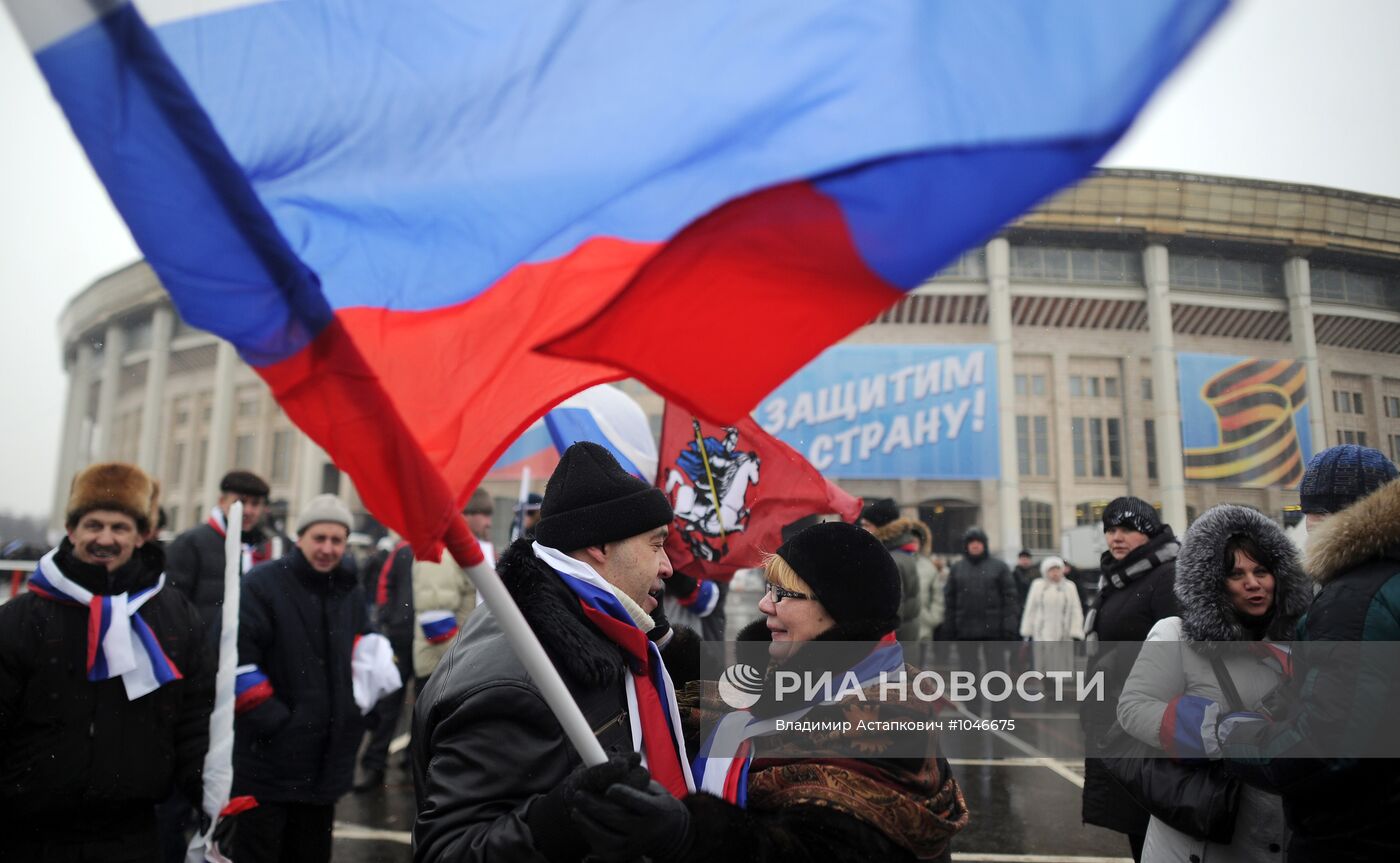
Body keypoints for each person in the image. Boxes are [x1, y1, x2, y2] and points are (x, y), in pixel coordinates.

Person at [568, 520, 970, 862]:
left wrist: (691, 836)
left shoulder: (883, 725)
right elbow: (735, 705)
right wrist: (662, 640)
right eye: (767, 589)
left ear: (838, 609)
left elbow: (809, 850)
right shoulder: (822, 682)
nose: (764, 605)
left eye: (783, 594)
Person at [412, 441, 698, 862]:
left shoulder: (605, 629)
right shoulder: (518, 680)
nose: (668, 567)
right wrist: (562, 819)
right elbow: (447, 851)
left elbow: (794, 711)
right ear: (600, 546)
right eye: (656, 545)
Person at [0, 463, 213, 861]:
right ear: (72, 530)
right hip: (31, 833)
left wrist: (209, 792)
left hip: (131, 834)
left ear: (143, 535)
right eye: (93, 525)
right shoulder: (22, 617)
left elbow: (194, 718)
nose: (105, 538)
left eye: (120, 528)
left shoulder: (175, 616)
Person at [1218, 445, 1400, 863]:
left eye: (1308, 512)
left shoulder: (1353, 600)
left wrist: (1235, 738)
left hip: (1355, 834)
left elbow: (1324, 748)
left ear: (1327, 516)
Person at [1117, 504, 1310, 862]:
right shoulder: (1175, 634)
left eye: (1262, 570)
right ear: (1212, 583)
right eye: (1236, 574)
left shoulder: (1303, 641)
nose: (1253, 583)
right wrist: (1216, 731)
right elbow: (1133, 707)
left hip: (1279, 835)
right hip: (1202, 835)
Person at [232, 494, 375, 863]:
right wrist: (279, 723)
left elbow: (361, 650)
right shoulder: (262, 584)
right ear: (301, 538)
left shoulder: (350, 591)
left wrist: (359, 706)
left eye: (337, 540)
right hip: (268, 761)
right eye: (319, 538)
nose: (328, 548)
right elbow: (238, 663)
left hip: (326, 762)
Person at [1081, 496, 1181, 861]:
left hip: (1149, 718)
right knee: (1136, 823)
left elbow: (1177, 645)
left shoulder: (1167, 575)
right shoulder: (1118, 575)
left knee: (1154, 820)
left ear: (1149, 532)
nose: (1115, 537)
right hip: (1119, 711)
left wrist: (1116, 661)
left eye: (1126, 529)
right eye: (1110, 529)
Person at [166, 469, 275, 646]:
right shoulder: (192, 542)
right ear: (222, 501)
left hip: (250, 651)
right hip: (205, 650)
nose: (247, 510)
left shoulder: (268, 546)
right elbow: (173, 604)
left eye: (255, 504)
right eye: (240, 502)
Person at [354, 531, 416, 793]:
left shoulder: (445, 550)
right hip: (402, 637)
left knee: (425, 708)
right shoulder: (403, 551)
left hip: (432, 641)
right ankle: (374, 765)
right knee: (389, 704)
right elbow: (384, 586)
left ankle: (413, 761)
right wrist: (389, 617)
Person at [860, 497, 932, 642]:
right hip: (904, 643)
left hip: (894, 647)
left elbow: (891, 614)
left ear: (882, 528)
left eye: (867, 525)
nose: (863, 530)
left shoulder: (891, 559)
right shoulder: (895, 553)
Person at [1019, 555, 1084, 674]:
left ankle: (1058, 691)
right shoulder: (1038, 585)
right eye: (1051, 570)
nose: (1055, 573)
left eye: (1057, 569)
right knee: (1044, 667)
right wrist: (1027, 631)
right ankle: (1046, 689)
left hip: (1063, 634)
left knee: (1060, 669)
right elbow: (1031, 609)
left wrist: (1075, 630)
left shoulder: (1069, 586)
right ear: (1045, 571)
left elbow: (1076, 609)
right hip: (1042, 633)